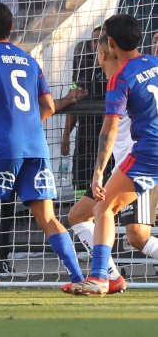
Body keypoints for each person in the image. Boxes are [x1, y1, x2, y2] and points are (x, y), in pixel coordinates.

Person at [0, 2, 84, 298]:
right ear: (11, 28)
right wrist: (25, 126)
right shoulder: (29, 60)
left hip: (2, 146)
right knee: (48, 218)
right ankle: (78, 277)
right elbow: (49, 106)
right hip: (36, 147)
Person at [72, 15, 158, 295]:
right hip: (144, 153)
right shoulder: (153, 64)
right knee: (81, 214)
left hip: (146, 152)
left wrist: (97, 173)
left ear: (109, 44)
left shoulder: (122, 77)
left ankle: (99, 279)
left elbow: (109, 130)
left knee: (105, 209)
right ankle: (108, 275)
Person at [62, 26, 105, 196]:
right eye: (95, 40)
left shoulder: (115, 71)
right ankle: (82, 215)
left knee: (104, 181)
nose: (97, 44)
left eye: (100, 40)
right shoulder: (82, 70)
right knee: (81, 179)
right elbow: (72, 101)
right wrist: (66, 135)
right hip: (84, 136)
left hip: (106, 138)